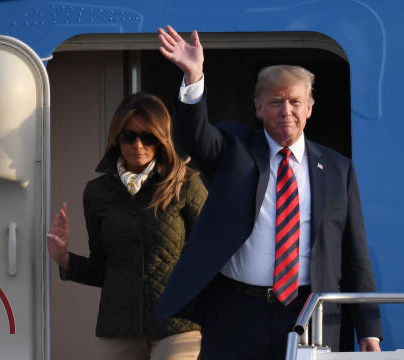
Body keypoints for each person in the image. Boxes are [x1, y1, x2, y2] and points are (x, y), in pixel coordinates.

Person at [155, 25, 382, 359]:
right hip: (237, 311)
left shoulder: (338, 169)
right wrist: (194, 76)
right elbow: (194, 137)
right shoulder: (233, 149)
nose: (286, 110)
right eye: (276, 102)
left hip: (309, 314)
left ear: (309, 108)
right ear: (259, 108)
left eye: (294, 101)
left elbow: (355, 254)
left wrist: (370, 329)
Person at [47, 92, 207, 360]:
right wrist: (63, 258)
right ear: (117, 138)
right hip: (119, 325)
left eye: (148, 137)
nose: (138, 145)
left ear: (162, 139)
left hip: (178, 324)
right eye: (129, 136)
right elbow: (102, 268)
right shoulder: (97, 192)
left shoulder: (185, 184)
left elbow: (208, 254)